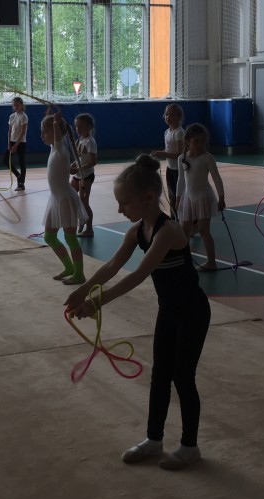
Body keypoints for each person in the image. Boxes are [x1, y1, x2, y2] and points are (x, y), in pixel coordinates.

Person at [66, 154, 211, 470]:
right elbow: (111, 265)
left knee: (182, 377)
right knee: (160, 375)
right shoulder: (136, 231)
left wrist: (97, 303)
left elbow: (138, 274)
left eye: (124, 203)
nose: (120, 210)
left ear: (148, 198)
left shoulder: (169, 231)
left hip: (193, 312)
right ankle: (154, 439)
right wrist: (82, 290)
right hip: (168, 311)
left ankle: (190, 446)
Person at [42, 107, 87, 285]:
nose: (41, 136)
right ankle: (69, 267)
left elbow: (57, 137)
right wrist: (49, 118)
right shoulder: (54, 149)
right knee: (49, 236)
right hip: (55, 198)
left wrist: (54, 122)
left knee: (70, 237)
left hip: (65, 199)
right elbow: (55, 138)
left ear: (55, 133)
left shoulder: (60, 149)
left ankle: (79, 274)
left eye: (44, 132)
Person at [175, 123, 225, 271]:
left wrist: (221, 197)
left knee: (204, 230)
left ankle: (211, 262)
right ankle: (184, 260)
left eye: (203, 141)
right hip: (188, 198)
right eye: (196, 141)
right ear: (187, 141)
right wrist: (178, 198)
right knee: (184, 231)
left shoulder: (208, 158)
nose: (200, 144)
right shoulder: (182, 158)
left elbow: (217, 178)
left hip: (203, 197)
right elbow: (181, 180)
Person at [151, 103, 185, 216]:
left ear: (179, 117)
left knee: (179, 195)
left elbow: (179, 154)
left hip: (179, 170)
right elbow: (168, 149)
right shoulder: (167, 132)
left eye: (172, 115)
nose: (168, 117)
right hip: (170, 168)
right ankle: (173, 217)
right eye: (166, 114)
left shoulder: (179, 133)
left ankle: (182, 218)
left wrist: (162, 153)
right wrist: (159, 153)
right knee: (171, 195)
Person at [69, 113, 97, 238]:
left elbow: (92, 161)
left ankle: (89, 229)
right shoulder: (80, 140)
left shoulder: (90, 142)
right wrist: (72, 165)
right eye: (76, 126)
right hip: (78, 175)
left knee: (84, 202)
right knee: (70, 196)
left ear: (89, 126)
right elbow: (79, 158)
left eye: (81, 126)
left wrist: (78, 168)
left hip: (86, 176)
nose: (78, 129)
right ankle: (81, 219)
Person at [4, 97, 28, 191]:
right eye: (14, 105)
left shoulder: (24, 116)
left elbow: (23, 132)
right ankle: (18, 175)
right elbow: (9, 131)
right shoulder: (12, 116)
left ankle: (21, 184)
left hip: (20, 142)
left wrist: (16, 145)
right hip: (12, 141)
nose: (15, 107)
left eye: (17, 105)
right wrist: (9, 144)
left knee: (22, 162)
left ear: (21, 105)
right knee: (5, 160)